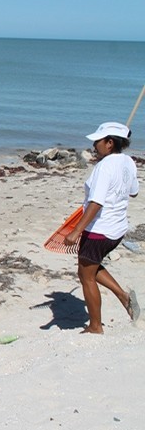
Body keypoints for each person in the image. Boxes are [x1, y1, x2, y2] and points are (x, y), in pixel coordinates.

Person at [63, 122, 140, 334]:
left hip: (99, 230)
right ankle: (123, 297)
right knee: (91, 266)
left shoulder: (105, 166)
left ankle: (95, 326)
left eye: (97, 141)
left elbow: (97, 202)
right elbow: (133, 192)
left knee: (85, 275)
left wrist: (77, 230)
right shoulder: (128, 162)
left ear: (109, 143)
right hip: (117, 228)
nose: (94, 146)